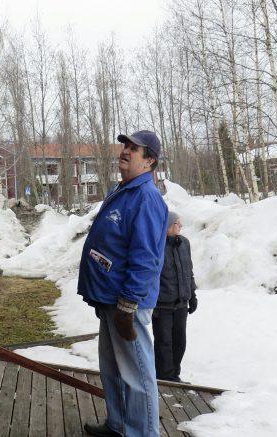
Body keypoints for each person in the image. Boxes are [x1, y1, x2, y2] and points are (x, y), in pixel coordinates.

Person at [77, 130, 168, 437]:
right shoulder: (125, 189)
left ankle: (143, 433)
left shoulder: (146, 197)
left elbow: (146, 259)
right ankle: (118, 425)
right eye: (124, 146)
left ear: (150, 161)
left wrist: (128, 305)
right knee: (113, 370)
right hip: (110, 300)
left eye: (134, 149)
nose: (125, 152)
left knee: (138, 375)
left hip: (127, 304)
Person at [153, 211, 198, 383]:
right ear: (168, 225)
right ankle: (164, 377)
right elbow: (151, 276)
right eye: (177, 223)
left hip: (181, 303)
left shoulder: (184, 243)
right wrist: (152, 303)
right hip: (162, 305)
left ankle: (174, 375)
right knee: (164, 343)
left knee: (179, 342)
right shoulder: (156, 245)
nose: (181, 226)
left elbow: (188, 271)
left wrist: (192, 295)